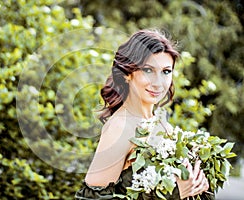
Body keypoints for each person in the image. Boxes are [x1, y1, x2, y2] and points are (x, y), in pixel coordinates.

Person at [75, 29, 214, 199]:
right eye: (148, 70)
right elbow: (91, 199)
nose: (158, 83)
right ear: (127, 74)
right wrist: (174, 194)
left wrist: (198, 184)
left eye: (166, 71)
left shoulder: (163, 125)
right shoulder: (120, 127)